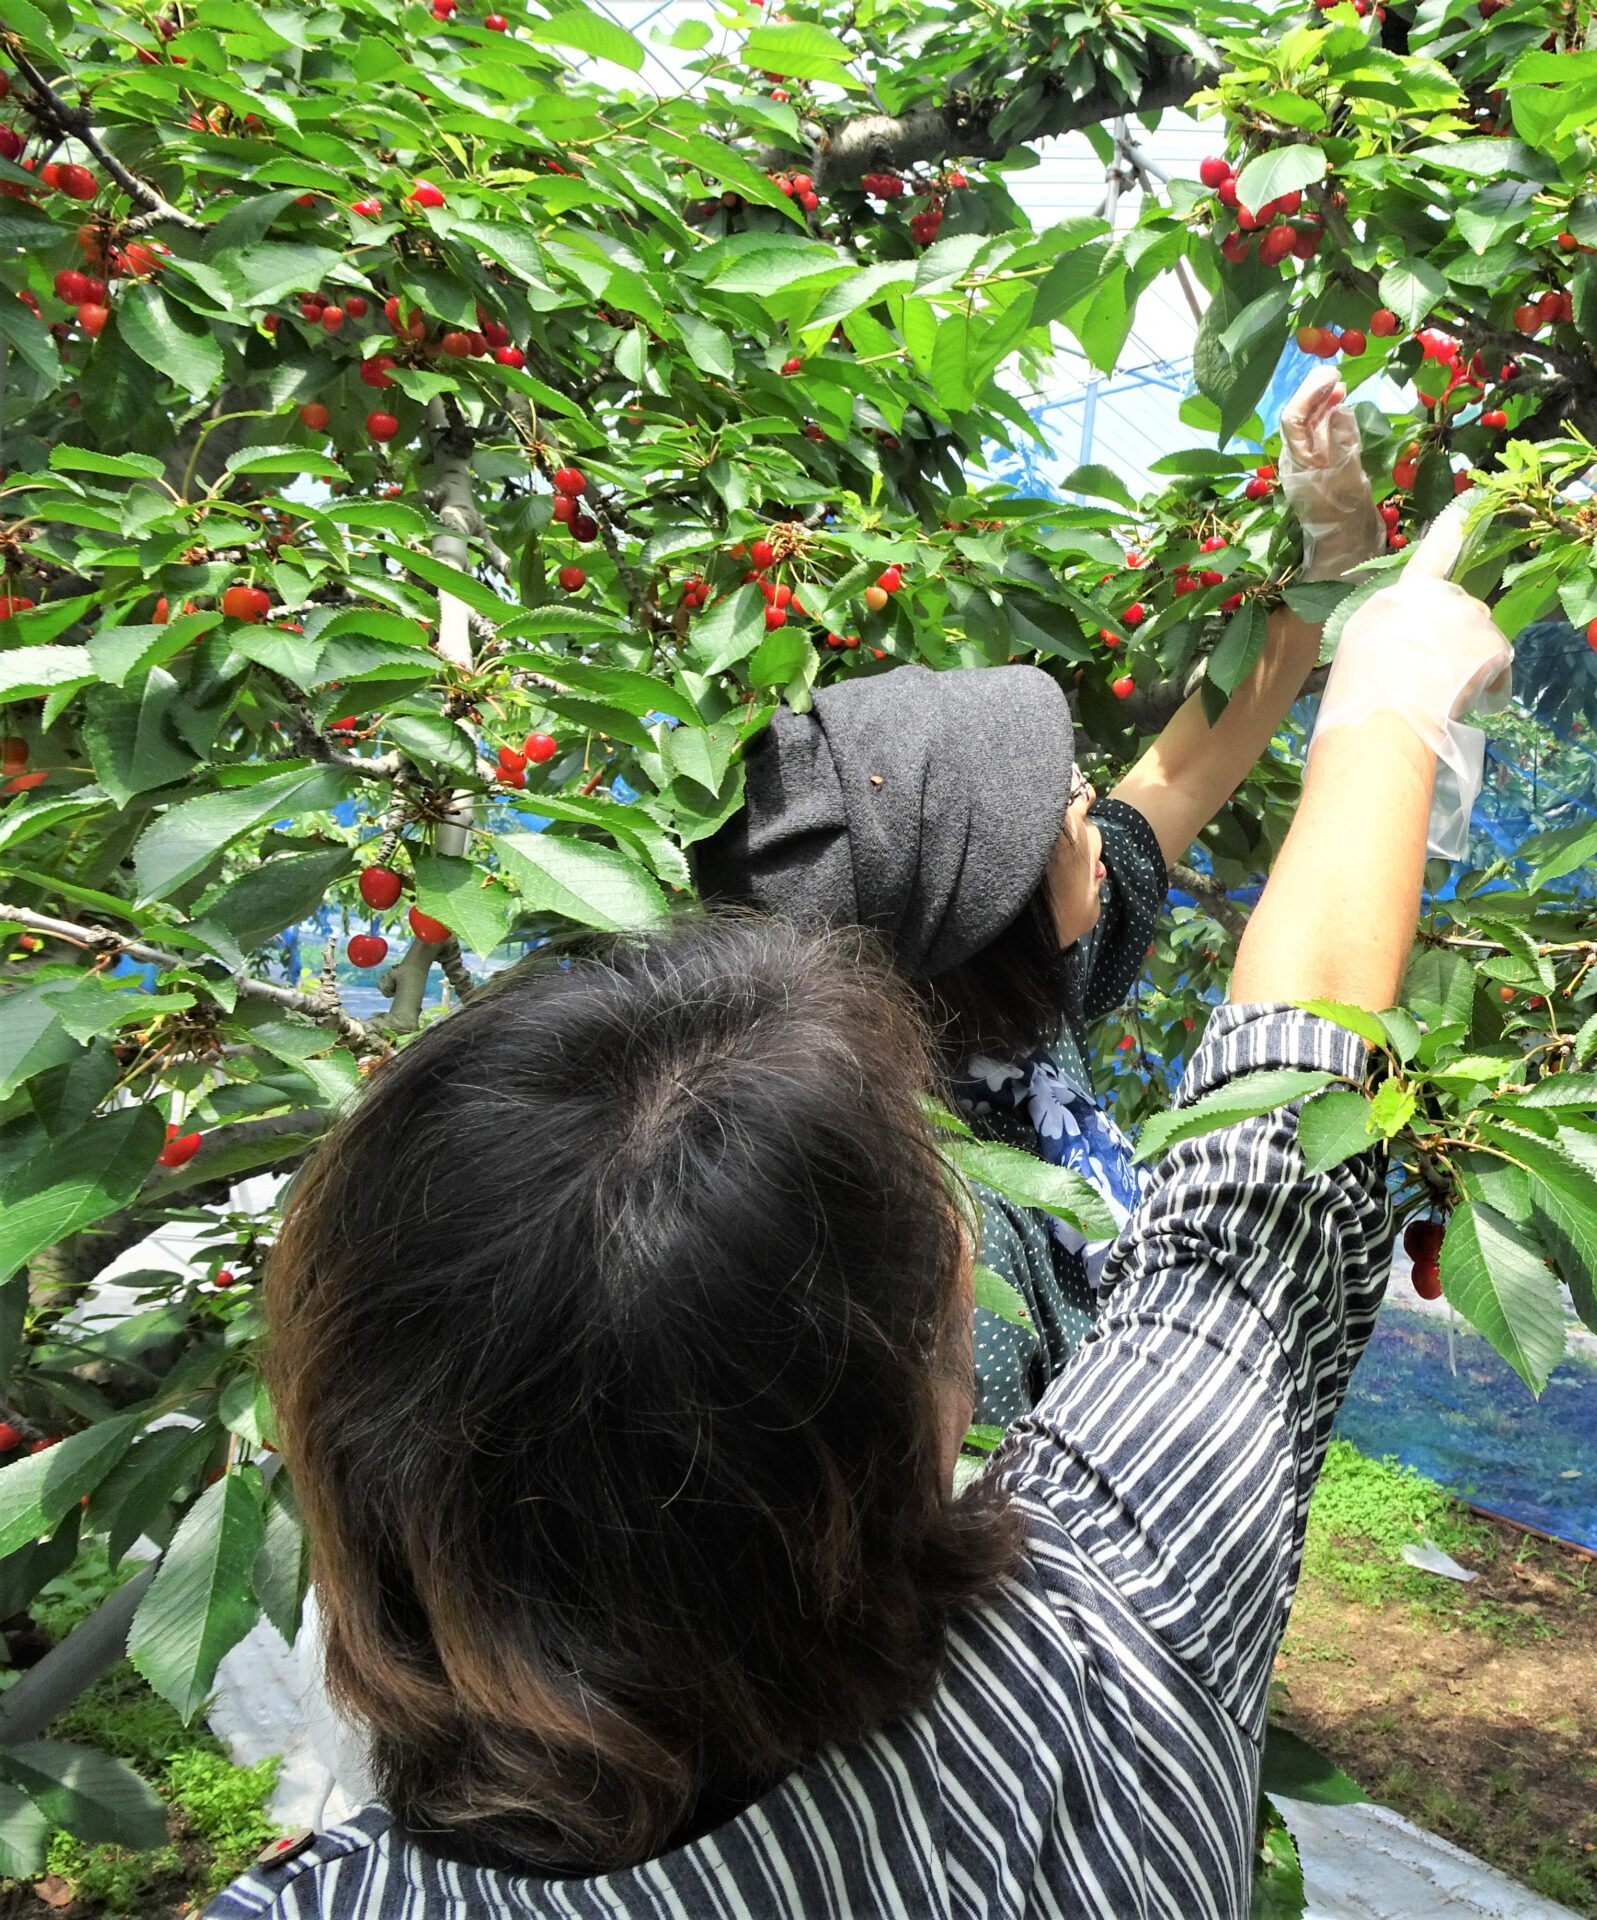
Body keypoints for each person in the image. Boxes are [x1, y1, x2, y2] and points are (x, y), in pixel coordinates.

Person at [204, 502, 1509, 1919]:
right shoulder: (1107, 1667)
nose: (1095, 811)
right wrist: (1394, 710)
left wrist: (1315, 592)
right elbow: (1260, 1196)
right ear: (918, 1399)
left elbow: (1166, 789)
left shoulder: (336, 1899)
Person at [692, 367, 1386, 1430]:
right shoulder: (938, 1243)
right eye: (1054, 812)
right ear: (992, 917)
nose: (1087, 804)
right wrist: (1398, 716)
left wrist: (1328, 559)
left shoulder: (1006, 1010)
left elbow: (1181, 772)